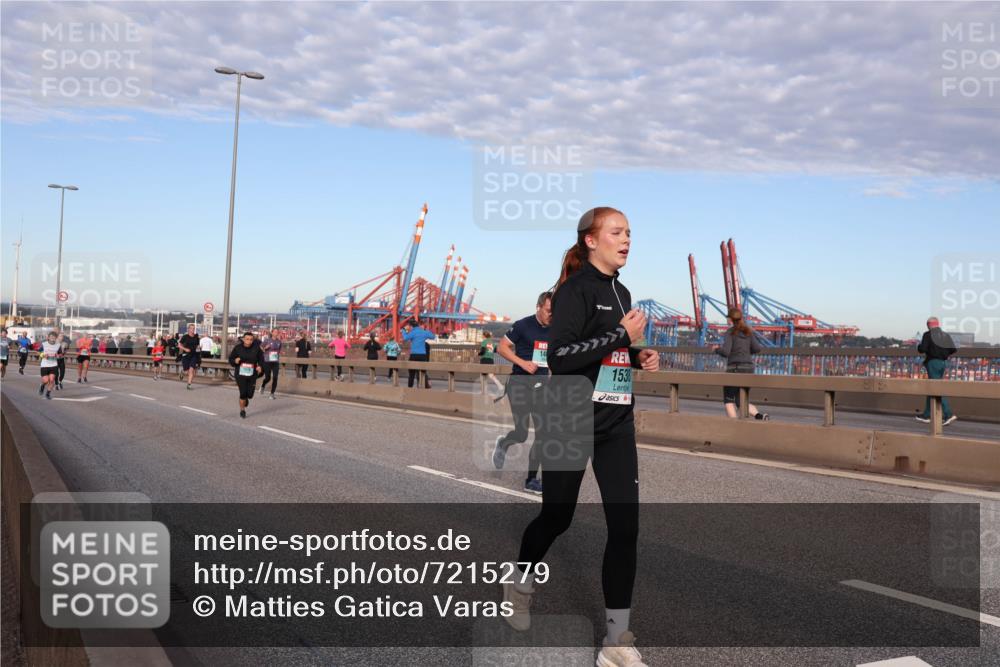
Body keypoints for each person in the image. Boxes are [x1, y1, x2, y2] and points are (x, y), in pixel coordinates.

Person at [504, 207, 659, 667]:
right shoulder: (572, 292)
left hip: (615, 422)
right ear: (591, 241)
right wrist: (620, 335)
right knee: (556, 516)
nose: (626, 239)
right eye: (616, 232)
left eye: (629, 232)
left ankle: (615, 643)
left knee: (626, 528)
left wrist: (636, 355)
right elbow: (565, 358)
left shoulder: (622, 289)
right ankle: (520, 584)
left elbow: (607, 353)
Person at [492, 292, 553, 494]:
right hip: (520, 384)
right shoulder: (523, 325)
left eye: (555, 312)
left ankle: (531, 480)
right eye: (548, 310)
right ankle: (503, 443)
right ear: (538, 307)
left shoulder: (557, 328)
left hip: (541, 386)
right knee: (521, 433)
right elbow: (502, 347)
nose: (551, 315)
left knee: (543, 434)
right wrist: (522, 363)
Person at [714, 308, 769, 421]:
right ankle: (760, 416)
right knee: (741, 400)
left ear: (730, 319)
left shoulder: (730, 332)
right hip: (749, 369)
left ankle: (735, 426)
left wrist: (716, 349)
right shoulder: (748, 331)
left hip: (735, 369)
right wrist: (746, 353)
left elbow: (726, 352)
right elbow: (757, 348)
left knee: (729, 400)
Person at [916, 316, 958, 425]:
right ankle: (927, 415)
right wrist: (943, 354)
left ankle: (948, 414)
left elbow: (923, 349)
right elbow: (953, 349)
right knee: (932, 387)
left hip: (933, 362)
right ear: (937, 324)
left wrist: (919, 346)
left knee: (936, 388)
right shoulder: (945, 335)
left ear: (929, 325)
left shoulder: (927, 334)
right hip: (943, 363)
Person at [229, 331, 264, 418]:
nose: (249, 341)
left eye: (251, 339)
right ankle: (242, 410)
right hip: (240, 374)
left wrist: (260, 366)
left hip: (252, 374)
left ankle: (246, 399)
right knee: (243, 393)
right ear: (244, 339)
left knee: (250, 395)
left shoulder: (256, 348)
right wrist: (235, 361)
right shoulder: (238, 348)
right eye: (247, 339)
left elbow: (261, 359)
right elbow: (231, 358)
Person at [402, 320, 435, 388]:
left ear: (411, 326)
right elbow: (433, 336)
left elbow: (405, 338)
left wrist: (404, 330)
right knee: (422, 373)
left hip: (414, 355)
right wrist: (425, 331)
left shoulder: (412, 332)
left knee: (411, 374)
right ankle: (421, 388)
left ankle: (410, 389)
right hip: (422, 356)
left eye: (409, 327)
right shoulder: (423, 332)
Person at [479, 331, 506, 396]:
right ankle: (500, 386)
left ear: (484, 336)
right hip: (491, 360)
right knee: (490, 375)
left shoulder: (484, 342)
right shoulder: (492, 343)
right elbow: (495, 350)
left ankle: (484, 390)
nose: (482, 336)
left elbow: (482, 351)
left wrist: (478, 354)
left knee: (482, 376)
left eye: (482, 335)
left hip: (484, 359)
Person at [38, 331, 63, 399]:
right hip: (44, 365)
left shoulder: (58, 345)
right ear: (48, 338)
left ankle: (48, 394)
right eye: (51, 337)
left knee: (52, 380)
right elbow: (38, 352)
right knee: (46, 380)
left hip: (54, 365)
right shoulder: (44, 344)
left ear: (56, 338)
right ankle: (42, 385)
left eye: (54, 337)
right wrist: (43, 355)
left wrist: (58, 355)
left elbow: (61, 354)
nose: (53, 338)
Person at [259, 329, 282, 399]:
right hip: (267, 361)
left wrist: (281, 352)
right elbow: (261, 347)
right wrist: (265, 348)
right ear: (272, 333)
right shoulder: (267, 340)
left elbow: (279, 350)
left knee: (275, 378)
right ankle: (263, 385)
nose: (276, 333)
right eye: (275, 332)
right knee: (268, 378)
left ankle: (272, 394)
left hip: (275, 362)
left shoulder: (279, 341)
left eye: (277, 332)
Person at [178, 324, 201, 389]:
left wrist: (199, 349)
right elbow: (179, 345)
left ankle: (189, 384)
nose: (193, 330)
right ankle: (182, 372)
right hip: (186, 355)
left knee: (191, 370)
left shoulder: (196, 337)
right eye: (191, 328)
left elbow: (197, 346)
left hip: (194, 355)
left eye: (194, 328)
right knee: (187, 371)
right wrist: (185, 349)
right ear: (188, 329)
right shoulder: (185, 337)